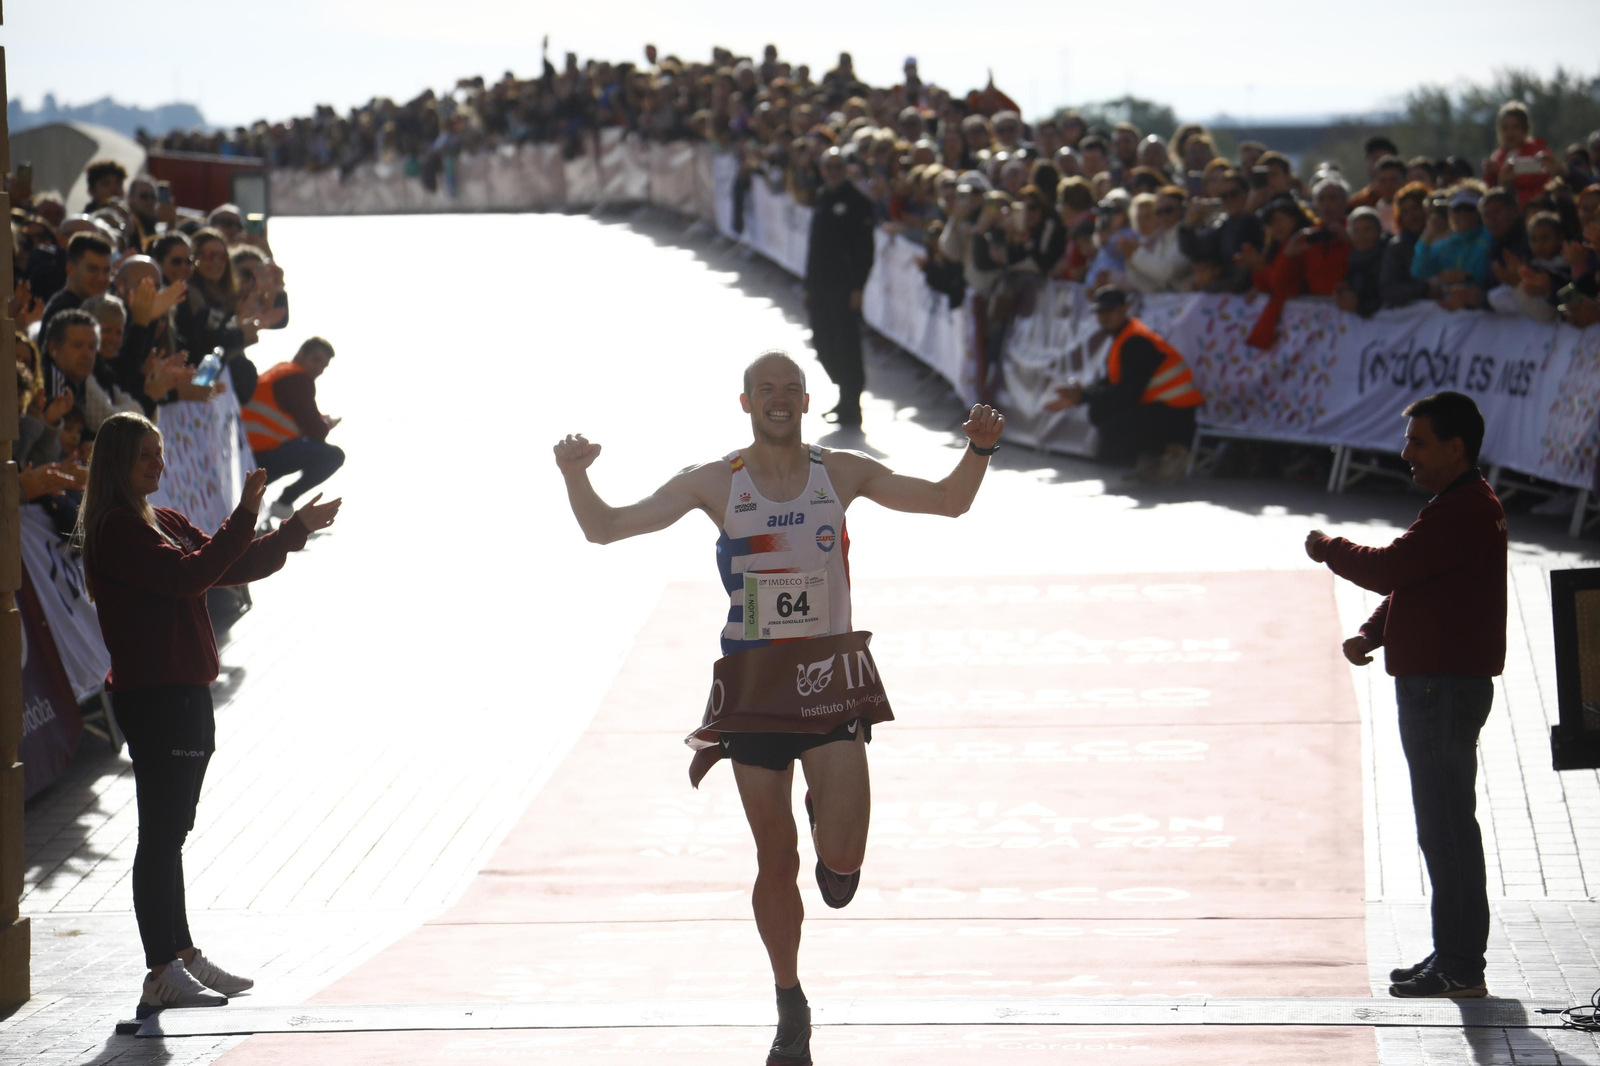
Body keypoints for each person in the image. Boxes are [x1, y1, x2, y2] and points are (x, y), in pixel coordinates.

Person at [553, 352, 1004, 1066]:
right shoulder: (715, 481)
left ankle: (833, 825)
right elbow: (606, 527)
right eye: (766, 389)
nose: (779, 399)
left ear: (804, 401)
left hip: (829, 677)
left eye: (791, 389)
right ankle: (789, 1000)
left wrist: (979, 449)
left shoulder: (841, 471)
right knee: (774, 855)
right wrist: (577, 475)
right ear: (745, 402)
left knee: (841, 869)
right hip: (756, 685)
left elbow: (948, 500)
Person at [75, 411, 341, 1010]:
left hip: (187, 690)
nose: (159, 463)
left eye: (161, 451)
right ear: (117, 463)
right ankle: (160, 967)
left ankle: (183, 955)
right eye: (146, 455)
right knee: (161, 833)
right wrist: (247, 512)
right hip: (156, 696)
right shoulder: (116, 528)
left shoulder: (161, 519)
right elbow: (190, 575)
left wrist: (293, 527)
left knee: (173, 832)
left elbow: (233, 565)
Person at [1304, 392, 1506, 999]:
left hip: (1441, 688)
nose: (1406, 454)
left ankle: (1462, 966)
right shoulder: (1458, 504)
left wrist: (1328, 548)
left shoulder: (1463, 507)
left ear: (1455, 447)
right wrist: (1373, 632)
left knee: (1446, 826)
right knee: (1442, 825)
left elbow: (1392, 567)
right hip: (1434, 682)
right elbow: (1414, 578)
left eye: (1419, 442)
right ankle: (1454, 954)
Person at [1043, 286, 1201, 483]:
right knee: (1101, 410)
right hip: (1165, 409)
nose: (1105, 316)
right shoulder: (1125, 337)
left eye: (1110, 310)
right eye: (1101, 312)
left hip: (1176, 414)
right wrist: (1081, 394)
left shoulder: (1136, 340)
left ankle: (1174, 451)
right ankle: (1153, 457)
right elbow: (1112, 381)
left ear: (1125, 309)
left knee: (1111, 423)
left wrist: (1082, 396)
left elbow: (1127, 393)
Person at [803, 147, 876, 427]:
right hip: (820, 284)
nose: (833, 172)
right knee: (823, 342)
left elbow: (864, 251)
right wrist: (808, 284)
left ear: (845, 169)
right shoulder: (822, 197)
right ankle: (843, 393)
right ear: (822, 170)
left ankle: (851, 404)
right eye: (828, 166)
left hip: (844, 286)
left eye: (838, 166)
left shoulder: (858, 202)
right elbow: (814, 246)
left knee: (847, 345)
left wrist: (858, 287)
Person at [242, 337, 346, 520]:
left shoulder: (281, 371)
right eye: (316, 360)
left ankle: (256, 506)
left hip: (248, 450)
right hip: (262, 454)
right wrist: (327, 424)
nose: (319, 369)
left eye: (324, 366)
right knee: (334, 456)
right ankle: (283, 503)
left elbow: (294, 418)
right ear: (301, 354)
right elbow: (317, 431)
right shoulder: (299, 379)